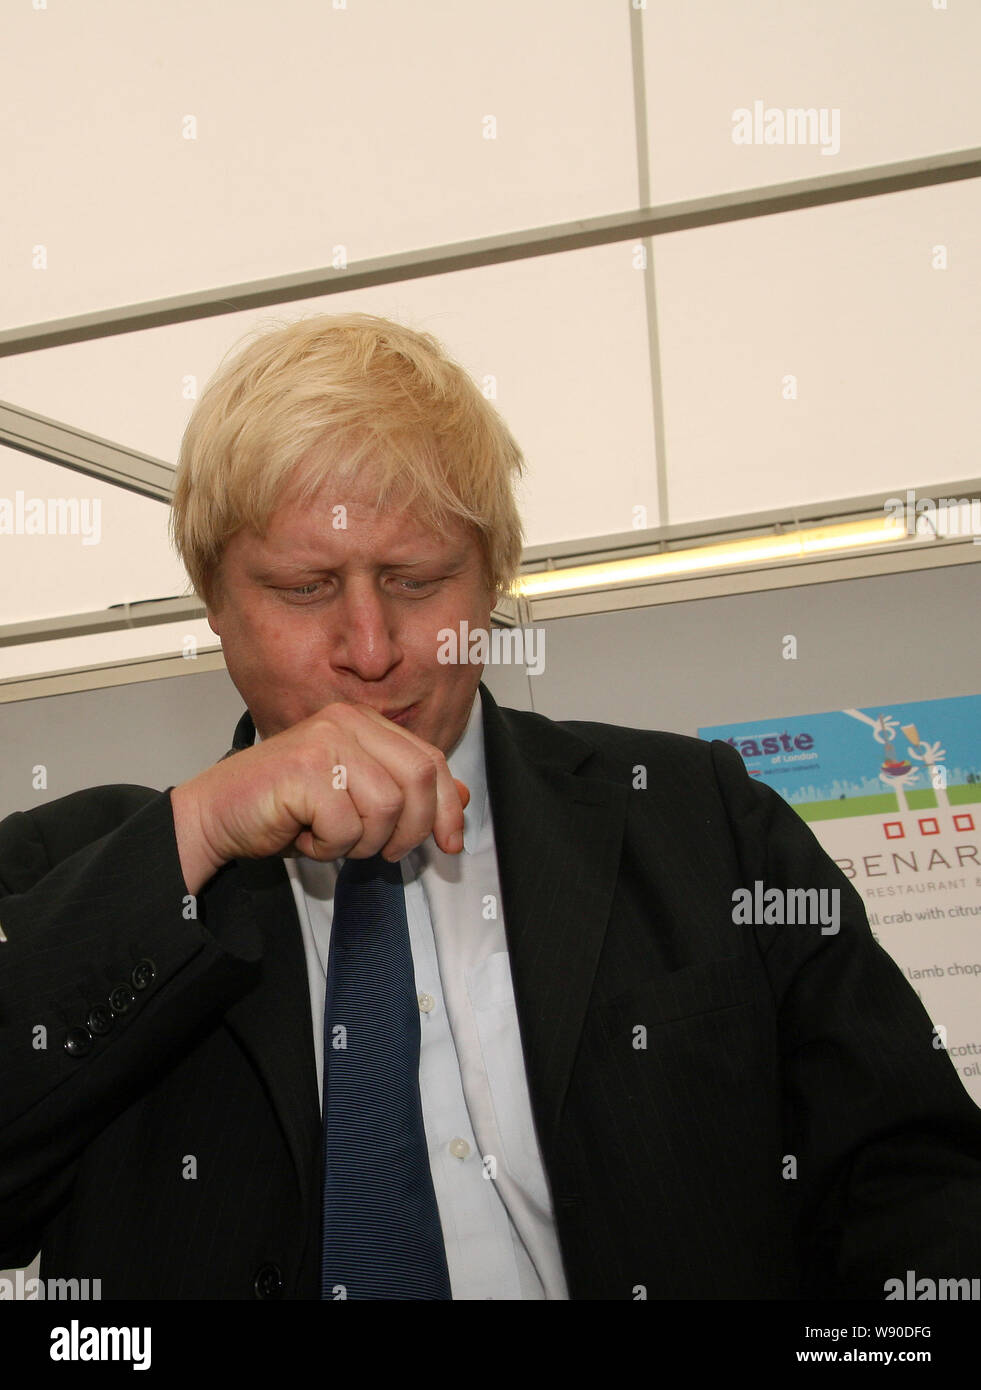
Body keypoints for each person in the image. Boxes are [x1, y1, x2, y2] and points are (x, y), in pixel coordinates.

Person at [1, 312, 979, 1301]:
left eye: (417, 581)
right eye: (304, 589)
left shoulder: (702, 824)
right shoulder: (80, 869)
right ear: (213, 598)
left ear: (494, 576)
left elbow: (916, 1190)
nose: (371, 647)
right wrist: (202, 828)